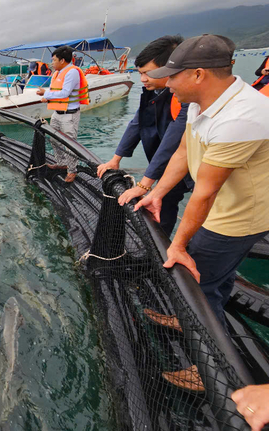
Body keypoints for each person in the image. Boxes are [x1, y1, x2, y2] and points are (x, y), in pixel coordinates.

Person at [134, 34, 269, 329]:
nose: (167, 84)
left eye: (172, 77)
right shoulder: (200, 101)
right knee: (218, 278)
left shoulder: (240, 118)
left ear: (198, 74)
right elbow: (184, 150)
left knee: (199, 287)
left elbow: (205, 193)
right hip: (221, 207)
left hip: (235, 218)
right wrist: (157, 192)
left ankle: (208, 371)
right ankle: (184, 321)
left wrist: (179, 244)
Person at [97, 35, 192, 237]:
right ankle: (161, 241)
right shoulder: (155, 92)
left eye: (147, 73)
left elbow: (173, 140)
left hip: (192, 164)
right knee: (166, 201)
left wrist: (144, 184)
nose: (143, 79)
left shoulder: (188, 99)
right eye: (140, 73)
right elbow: (137, 123)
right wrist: (115, 159)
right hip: (171, 164)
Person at [36, 45, 89, 182]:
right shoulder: (57, 73)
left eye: (54, 60)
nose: (52, 63)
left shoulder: (72, 72)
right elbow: (56, 92)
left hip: (69, 114)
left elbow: (65, 92)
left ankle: (72, 170)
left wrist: (46, 93)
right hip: (57, 113)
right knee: (54, 139)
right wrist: (46, 97)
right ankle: (61, 163)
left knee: (70, 143)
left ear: (62, 60)